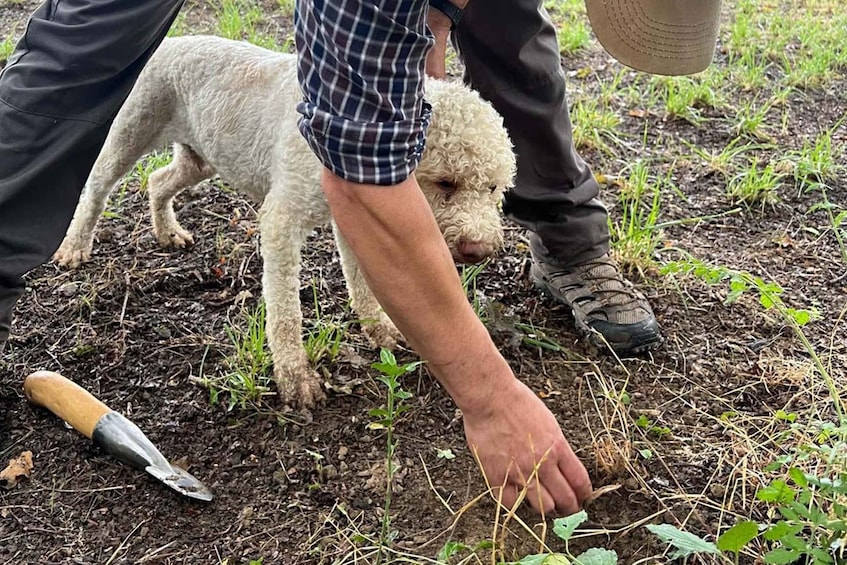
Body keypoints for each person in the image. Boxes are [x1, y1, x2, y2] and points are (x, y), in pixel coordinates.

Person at [0, 0, 721, 515]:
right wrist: (487, 395)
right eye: (438, 183)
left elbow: (376, 171)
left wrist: (431, 25)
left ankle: (567, 241)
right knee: (84, 49)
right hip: (210, 86)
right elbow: (357, 178)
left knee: (497, 32)